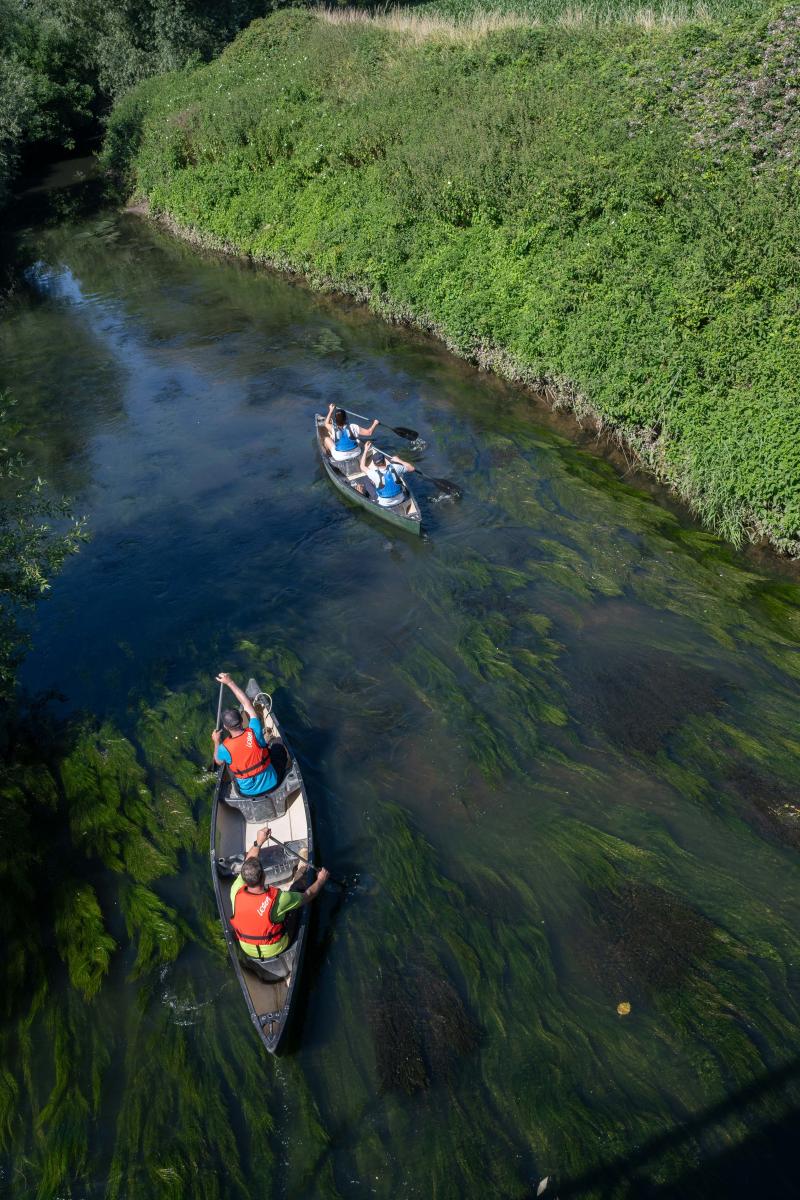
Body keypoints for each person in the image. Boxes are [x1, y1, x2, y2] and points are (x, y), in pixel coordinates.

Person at [229, 825, 329, 977]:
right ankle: (301, 869)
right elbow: (308, 895)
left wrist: (258, 842)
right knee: (297, 889)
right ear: (263, 877)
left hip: (247, 949)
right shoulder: (279, 899)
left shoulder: (236, 890)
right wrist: (321, 881)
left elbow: (248, 864)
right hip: (277, 947)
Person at [211, 671, 278, 795]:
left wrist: (216, 741)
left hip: (248, 793)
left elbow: (218, 761)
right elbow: (247, 704)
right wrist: (229, 682)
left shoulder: (224, 748)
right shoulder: (254, 730)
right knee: (277, 746)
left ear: (225, 727)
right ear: (242, 720)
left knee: (230, 766)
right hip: (273, 784)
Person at [360, 442, 416, 507]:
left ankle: (367, 496)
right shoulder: (396, 467)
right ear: (385, 460)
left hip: (384, 504)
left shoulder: (373, 473)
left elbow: (362, 466)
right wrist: (399, 460)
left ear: (374, 464)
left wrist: (365, 450)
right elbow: (412, 468)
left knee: (366, 479)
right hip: (401, 499)